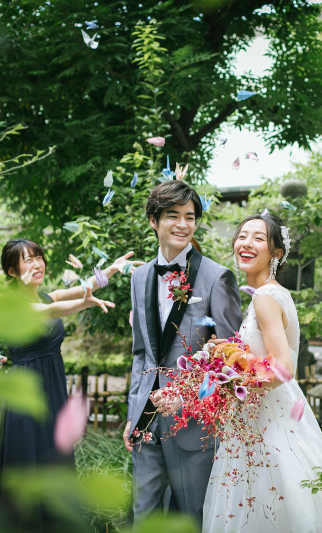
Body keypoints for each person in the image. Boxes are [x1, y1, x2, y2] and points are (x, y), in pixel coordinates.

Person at [202, 212, 322, 532]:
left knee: (268, 505)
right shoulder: (270, 294)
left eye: (259, 238)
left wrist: (232, 381)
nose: (246, 243)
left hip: (268, 422)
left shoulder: (265, 297)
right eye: (242, 235)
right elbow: (264, 354)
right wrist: (231, 353)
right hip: (269, 416)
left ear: (277, 253)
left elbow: (282, 367)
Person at [0, 238, 136, 531]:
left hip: (51, 387)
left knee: (52, 454)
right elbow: (52, 312)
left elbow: (85, 285)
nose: (37, 264)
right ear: (13, 271)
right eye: (27, 260)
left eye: (38, 257)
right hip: (26, 392)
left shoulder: (47, 297)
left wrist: (113, 269)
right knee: (27, 456)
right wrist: (83, 303)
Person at [125, 180, 242, 525]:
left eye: (189, 217)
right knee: (143, 513)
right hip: (146, 419)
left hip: (194, 423)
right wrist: (134, 411)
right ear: (153, 220)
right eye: (173, 216)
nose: (182, 224)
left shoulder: (217, 277)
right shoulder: (140, 277)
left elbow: (231, 359)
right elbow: (141, 353)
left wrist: (188, 397)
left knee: (193, 516)